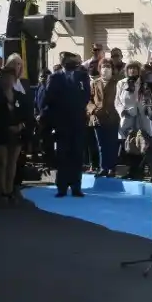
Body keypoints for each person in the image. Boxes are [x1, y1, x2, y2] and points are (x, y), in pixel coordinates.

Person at [43, 52, 91, 198]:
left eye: (72, 60)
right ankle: (62, 187)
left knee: (77, 154)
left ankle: (76, 187)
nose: (70, 62)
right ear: (62, 62)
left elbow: (86, 96)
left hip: (78, 122)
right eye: (67, 60)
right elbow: (49, 98)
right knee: (63, 155)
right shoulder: (55, 77)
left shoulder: (82, 77)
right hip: (62, 123)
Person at [0, 65, 27, 206]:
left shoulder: (19, 96)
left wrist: (20, 126)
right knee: (1, 162)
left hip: (16, 135)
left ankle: (10, 191)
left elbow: (25, 115)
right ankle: (2, 191)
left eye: (10, 78)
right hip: (0, 133)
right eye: (5, 78)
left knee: (12, 163)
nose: (8, 81)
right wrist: (6, 126)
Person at [114, 62, 152, 181]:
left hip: (142, 118)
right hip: (127, 118)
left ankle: (148, 171)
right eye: (130, 68)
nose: (132, 71)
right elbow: (117, 101)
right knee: (130, 144)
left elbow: (147, 99)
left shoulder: (144, 82)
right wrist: (123, 111)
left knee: (144, 144)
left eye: (134, 68)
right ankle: (132, 171)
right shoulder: (121, 83)